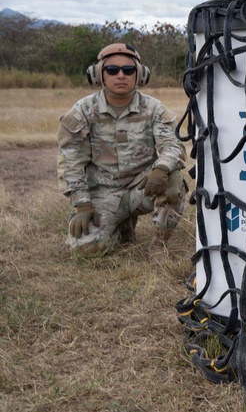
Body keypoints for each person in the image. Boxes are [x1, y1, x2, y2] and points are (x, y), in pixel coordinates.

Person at [57, 43, 187, 257]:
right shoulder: (82, 110)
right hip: (103, 192)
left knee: (174, 178)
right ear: (99, 75)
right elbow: (71, 162)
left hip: (142, 186)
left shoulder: (153, 108)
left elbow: (172, 145)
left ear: (140, 75)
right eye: (112, 70)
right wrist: (82, 205)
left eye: (128, 70)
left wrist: (161, 168)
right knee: (86, 250)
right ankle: (121, 227)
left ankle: (158, 245)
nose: (121, 75)